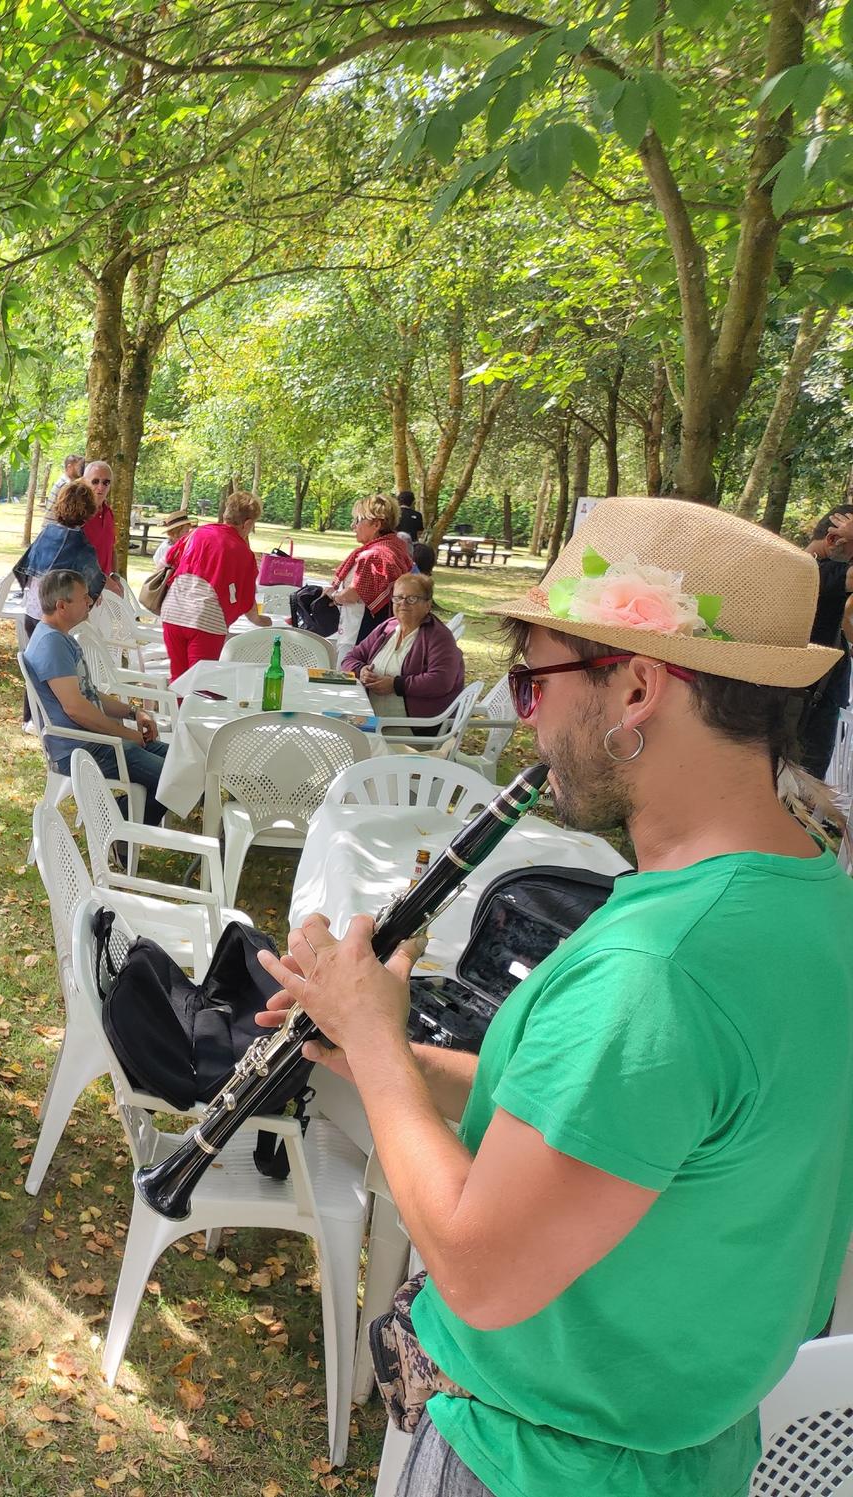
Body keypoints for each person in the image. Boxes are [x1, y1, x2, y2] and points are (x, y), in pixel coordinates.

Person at [256, 496, 853, 1497]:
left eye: (531, 684)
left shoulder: (657, 970)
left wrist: (369, 1045)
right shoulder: (809, 898)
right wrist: (390, 1050)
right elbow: (612, 1128)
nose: (523, 718)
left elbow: (479, 1275)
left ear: (633, 690)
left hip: (530, 1461)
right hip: (678, 1451)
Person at [22, 567, 167, 823]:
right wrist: (127, 734)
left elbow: (91, 694)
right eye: (84, 598)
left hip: (96, 742)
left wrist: (135, 712)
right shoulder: (51, 645)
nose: (90, 601)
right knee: (171, 777)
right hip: (81, 749)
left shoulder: (60, 637)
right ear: (61, 606)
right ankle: (117, 824)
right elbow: (76, 709)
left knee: (178, 762)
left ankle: (117, 816)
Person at [157, 489, 270, 679]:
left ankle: (178, 708)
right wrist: (261, 621)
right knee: (200, 682)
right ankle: (192, 709)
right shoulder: (243, 552)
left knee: (179, 679)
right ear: (247, 523)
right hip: (206, 620)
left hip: (173, 612)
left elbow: (165, 563)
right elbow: (247, 601)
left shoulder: (197, 533)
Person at [340, 572, 465, 728]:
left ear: (427, 604)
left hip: (411, 727)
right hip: (370, 717)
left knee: (343, 734)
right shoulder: (388, 627)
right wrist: (361, 671)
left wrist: (395, 685)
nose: (403, 604)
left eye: (412, 599)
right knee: (330, 725)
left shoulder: (439, 637)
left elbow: (441, 681)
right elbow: (350, 658)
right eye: (398, 598)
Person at [797, 506, 853, 776]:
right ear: (832, 541)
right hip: (807, 710)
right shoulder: (822, 572)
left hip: (806, 702)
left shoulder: (794, 569)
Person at [18, 479, 105, 646]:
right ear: (89, 511)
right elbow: (92, 587)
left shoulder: (45, 535)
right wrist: (94, 593)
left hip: (33, 614)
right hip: (58, 621)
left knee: (39, 664)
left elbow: (26, 570)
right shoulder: (83, 547)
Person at [328, 492, 414, 644]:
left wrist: (333, 596)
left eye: (358, 520)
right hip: (383, 630)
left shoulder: (373, 556)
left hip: (360, 633)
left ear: (376, 525)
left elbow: (352, 595)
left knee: (347, 667)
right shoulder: (396, 547)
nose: (353, 525)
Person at [81, 459, 126, 595]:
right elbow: (77, 558)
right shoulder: (79, 515)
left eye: (106, 482)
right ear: (84, 481)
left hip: (101, 591)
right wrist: (107, 582)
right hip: (80, 591)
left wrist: (115, 576)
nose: (101, 487)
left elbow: (111, 548)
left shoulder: (108, 513)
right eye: (95, 481)